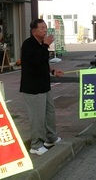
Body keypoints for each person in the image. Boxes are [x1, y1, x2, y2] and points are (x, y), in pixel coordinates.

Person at [20, 19, 64, 156]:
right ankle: (36, 145)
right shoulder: (28, 44)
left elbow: (43, 63)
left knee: (50, 113)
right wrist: (45, 46)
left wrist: (52, 71)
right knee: (37, 117)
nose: (45, 30)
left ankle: (51, 137)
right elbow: (34, 62)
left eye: (46, 27)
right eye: (42, 28)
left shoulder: (41, 44)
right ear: (34, 31)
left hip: (44, 85)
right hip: (33, 88)